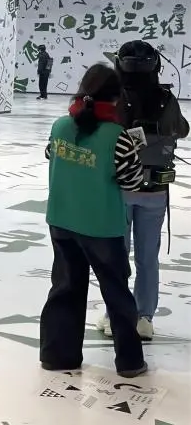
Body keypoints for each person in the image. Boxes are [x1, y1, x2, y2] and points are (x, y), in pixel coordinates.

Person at [40, 63, 147, 377]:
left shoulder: (60, 126)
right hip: (101, 227)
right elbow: (132, 183)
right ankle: (129, 361)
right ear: (116, 98)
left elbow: (50, 154)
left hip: (61, 219)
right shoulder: (118, 137)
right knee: (116, 293)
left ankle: (58, 355)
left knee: (65, 287)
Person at [94, 40, 190, 341]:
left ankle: (114, 314)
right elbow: (182, 129)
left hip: (119, 188)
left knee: (116, 257)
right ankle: (145, 317)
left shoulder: (112, 97)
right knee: (148, 258)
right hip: (155, 190)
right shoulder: (165, 98)